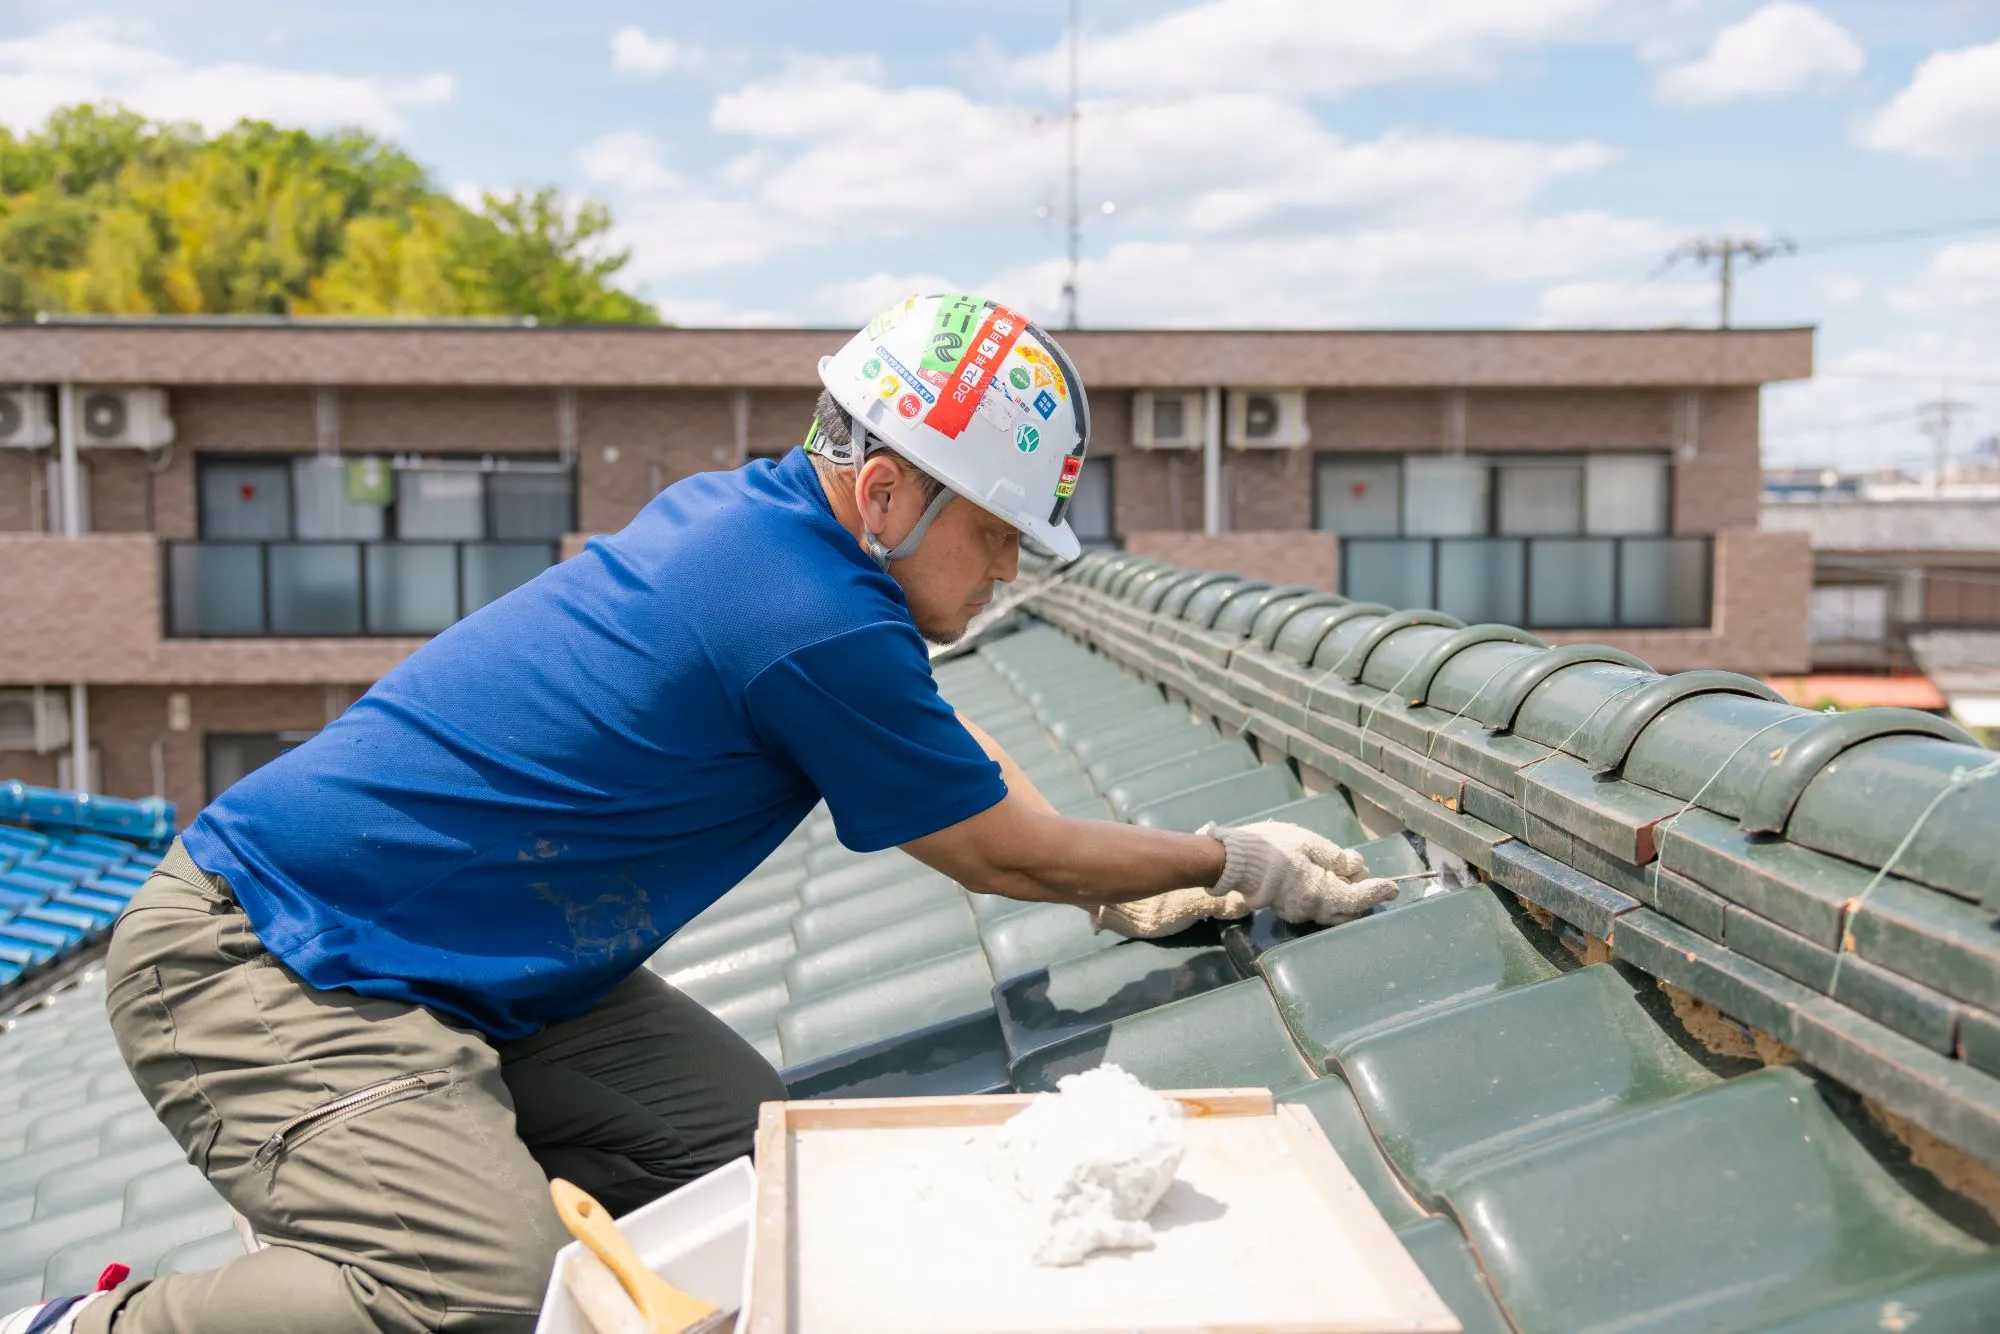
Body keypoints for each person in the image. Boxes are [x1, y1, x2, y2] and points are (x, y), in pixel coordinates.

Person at [5, 294, 1395, 1334]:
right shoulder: (804, 610)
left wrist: (1110, 879)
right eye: (993, 533)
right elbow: (997, 845)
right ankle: (100, 1322)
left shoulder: (779, 541)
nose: (1002, 574)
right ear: (889, 489)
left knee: (751, 1165)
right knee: (486, 1296)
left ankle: (393, 1174)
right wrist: (1227, 855)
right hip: (277, 960)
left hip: (478, 968)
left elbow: (958, 764)